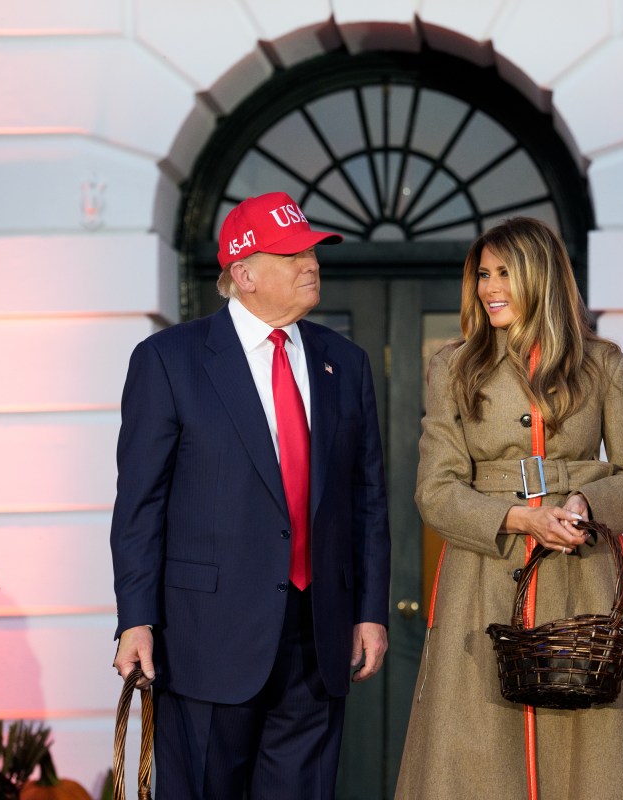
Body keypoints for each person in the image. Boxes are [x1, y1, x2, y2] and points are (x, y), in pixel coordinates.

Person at [110, 191, 391, 800]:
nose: (310, 263)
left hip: (318, 639)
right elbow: (139, 505)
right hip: (204, 640)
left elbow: (366, 500)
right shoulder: (167, 360)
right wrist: (135, 620)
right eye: (291, 255)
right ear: (244, 274)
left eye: (312, 250)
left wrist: (369, 609)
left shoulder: (346, 363)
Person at [394, 217, 623, 799]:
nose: (490, 287)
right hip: (483, 579)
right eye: (483, 274)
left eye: (505, 273)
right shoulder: (453, 367)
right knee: (478, 752)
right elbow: (435, 491)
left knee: (588, 754)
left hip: (582, 580)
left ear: (540, 276)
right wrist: (517, 519)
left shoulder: (604, 364)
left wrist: (587, 502)